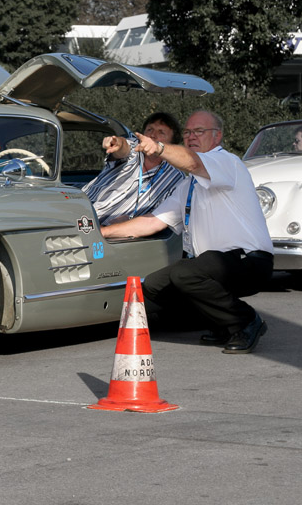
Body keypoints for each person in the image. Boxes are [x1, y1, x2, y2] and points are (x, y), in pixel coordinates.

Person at [101, 110, 273, 354]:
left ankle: (245, 321)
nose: (192, 136)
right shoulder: (188, 184)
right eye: (188, 132)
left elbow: (192, 160)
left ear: (217, 136)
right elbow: (152, 222)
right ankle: (222, 323)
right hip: (213, 264)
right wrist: (104, 232)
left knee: (184, 274)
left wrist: (159, 148)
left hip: (248, 260)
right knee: (154, 285)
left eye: (199, 131)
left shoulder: (226, 162)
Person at [83, 112, 185, 224]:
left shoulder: (175, 177)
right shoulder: (134, 147)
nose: (153, 135)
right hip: (80, 212)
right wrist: (117, 143)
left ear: (172, 144)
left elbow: (161, 215)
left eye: (161, 132)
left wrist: (130, 221)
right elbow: (124, 147)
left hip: (116, 236)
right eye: (150, 129)